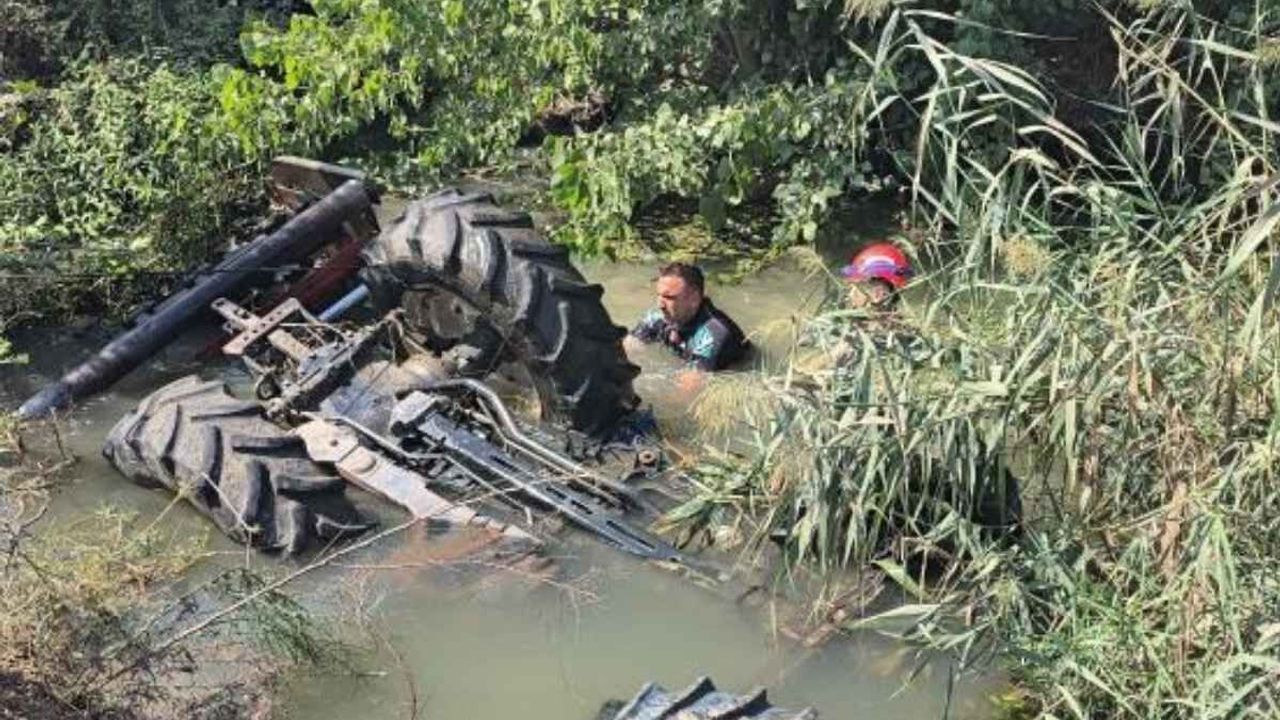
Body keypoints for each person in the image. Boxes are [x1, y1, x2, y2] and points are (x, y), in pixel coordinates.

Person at [623, 262, 748, 388]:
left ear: (694, 299)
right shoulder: (659, 316)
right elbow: (626, 347)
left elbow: (685, 394)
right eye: (659, 295)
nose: (660, 304)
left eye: (669, 297)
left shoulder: (714, 334)